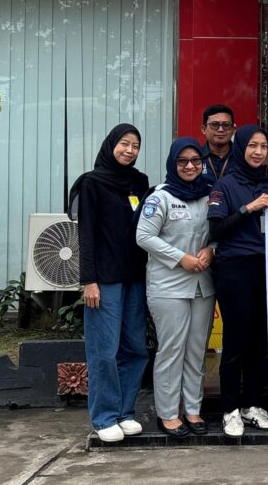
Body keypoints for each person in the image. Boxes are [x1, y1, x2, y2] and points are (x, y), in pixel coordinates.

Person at [72, 123, 150, 443]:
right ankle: (104, 416)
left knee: (136, 347)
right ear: (110, 145)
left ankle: (125, 412)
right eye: (124, 143)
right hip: (104, 280)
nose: (129, 150)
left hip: (136, 277)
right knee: (104, 350)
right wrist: (88, 280)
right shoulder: (92, 183)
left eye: (135, 146)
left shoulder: (140, 182)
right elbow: (86, 234)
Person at [135, 137, 216, 438]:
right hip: (168, 285)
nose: (190, 166)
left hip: (203, 285)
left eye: (196, 160)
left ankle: (193, 409)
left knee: (197, 350)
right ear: (173, 163)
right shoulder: (161, 197)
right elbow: (144, 236)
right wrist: (181, 258)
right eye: (183, 161)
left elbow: (220, 229)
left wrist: (212, 250)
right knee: (171, 350)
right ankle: (168, 413)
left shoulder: (210, 194)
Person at [207, 124, 268, 438]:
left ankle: (252, 405)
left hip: (265, 266)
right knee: (235, 341)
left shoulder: (267, 183)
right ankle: (230, 410)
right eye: (252, 146)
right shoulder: (224, 185)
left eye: (263, 146)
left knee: (259, 340)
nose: (258, 152)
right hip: (234, 267)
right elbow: (217, 230)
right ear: (240, 149)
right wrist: (249, 208)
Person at [200, 104, 235, 182]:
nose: (220, 129)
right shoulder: (196, 157)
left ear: (233, 129)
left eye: (226, 125)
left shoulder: (242, 157)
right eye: (214, 124)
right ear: (203, 129)